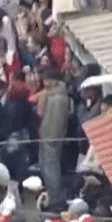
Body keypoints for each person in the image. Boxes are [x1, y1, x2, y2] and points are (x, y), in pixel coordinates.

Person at [37, 67, 69, 211]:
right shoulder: (55, 95)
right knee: (48, 167)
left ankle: (55, 198)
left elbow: (44, 114)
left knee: (51, 169)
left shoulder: (57, 98)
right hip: (48, 135)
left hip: (51, 137)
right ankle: (53, 195)